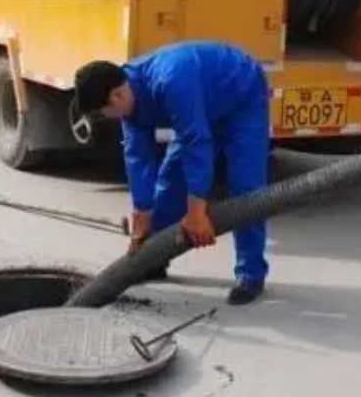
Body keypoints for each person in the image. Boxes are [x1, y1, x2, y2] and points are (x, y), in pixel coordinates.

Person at [73, 41, 269, 305]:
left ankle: (251, 275)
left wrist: (197, 213)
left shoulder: (170, 80)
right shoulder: (129, 99)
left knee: (246, 189)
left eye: (104, 112)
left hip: (240, 95)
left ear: (117, 96)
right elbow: (138, 158)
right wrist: (142, 217)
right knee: (168, 187)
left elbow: (196, 143)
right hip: (199, 108)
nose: (109, 118)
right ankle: (156, 257)